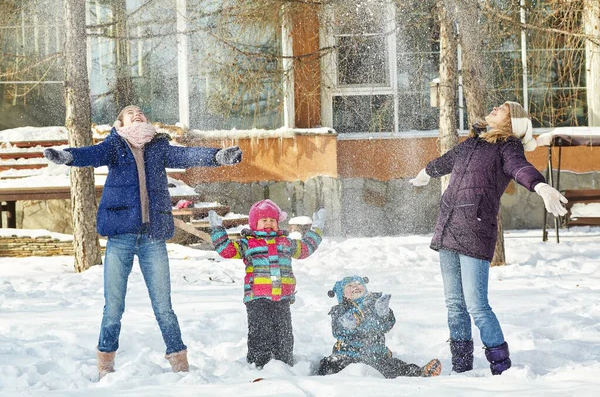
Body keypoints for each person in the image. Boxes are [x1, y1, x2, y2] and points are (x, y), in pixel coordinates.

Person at [43, 105, 243, 379]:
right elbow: (89, 154)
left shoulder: (158, 147)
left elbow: (186, 155)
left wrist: (218, 156)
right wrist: (66, 156)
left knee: (163, 306)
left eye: (140, 112)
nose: (137, 114)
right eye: (130, 112)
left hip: (153, 237)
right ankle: (105, 364)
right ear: (120, 122)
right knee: (113, 305)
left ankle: (180, 365)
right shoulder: (114, 146)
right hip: (121, 236)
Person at [409, 101, 568, 375]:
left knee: (477, 306)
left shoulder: (508, 147)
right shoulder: (472, 143)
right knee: (454, 305)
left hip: (475, 230)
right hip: (448, 228)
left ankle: (501, 367)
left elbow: (520, 168)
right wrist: (424, 173)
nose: (496, 107)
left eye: (503, 108)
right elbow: (445, 162)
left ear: (512, 122)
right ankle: (461, 366)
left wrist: (539, 185)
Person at [207, 199, 325, 368]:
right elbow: (226, 249)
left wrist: (317, 229)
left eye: (272, 220)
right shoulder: (247, 243)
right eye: (264, 220)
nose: (269, 223)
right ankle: (258, 362)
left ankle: (284, 362)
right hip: (257, 298)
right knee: (260, 331)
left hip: (282, 298)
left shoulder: (285, 242)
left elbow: (305, 249)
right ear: (255, 224)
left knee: (283, 333)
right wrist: (217, 229)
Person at [316, 276, 442, 378]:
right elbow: (337, 330)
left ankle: (419, 372)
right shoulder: (340, 310)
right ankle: (325, 380)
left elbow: (386, 326)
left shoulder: (374, 304)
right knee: (330, 364)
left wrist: (384, 313)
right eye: (349, 286)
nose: (355, 286)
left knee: (393, 366)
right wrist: (347, 324)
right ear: (342, 294)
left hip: (375, 354)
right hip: (348, 354)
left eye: (358, 284)